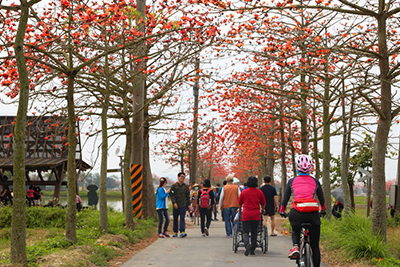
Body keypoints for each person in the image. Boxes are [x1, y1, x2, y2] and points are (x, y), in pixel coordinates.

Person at [280, 154, 326, 267]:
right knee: (315, 246)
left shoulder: (292, 181)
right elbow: (322, 199)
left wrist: (282, 210)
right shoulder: (315, 181)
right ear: (311, 168)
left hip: (297, 212)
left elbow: (285, 198)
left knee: (295, 230)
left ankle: (295, 245)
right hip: (313, 213)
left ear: (296, 167)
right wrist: (323, 210)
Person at [238, 176, 266, 256]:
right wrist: (263, 209)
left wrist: (240, 209)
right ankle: (252, 249)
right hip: (256, 214)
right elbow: (263, 203)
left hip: (246, 214)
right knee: (254, 232)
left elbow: (239, 203)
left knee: (245, 231)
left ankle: (247, 244)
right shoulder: (259, 192)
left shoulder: (244, 192)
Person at [170, 172, 190, 238]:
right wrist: (174, 203)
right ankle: (175, 232)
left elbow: (187, 196)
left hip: (183, 205)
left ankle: (182, 231)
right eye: (181, 176)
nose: (182, 178)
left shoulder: (186, 187)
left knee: (182, 218)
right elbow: (172, 195)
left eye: (184, 177)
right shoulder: (174, 186)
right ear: (178, 177)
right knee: (175, 218)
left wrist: (189, 205)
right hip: (176, 205)